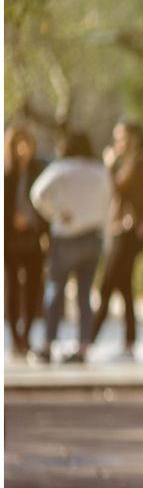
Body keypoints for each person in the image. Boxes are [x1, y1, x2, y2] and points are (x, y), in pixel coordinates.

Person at [30, 131, 110, 364]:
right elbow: (109, 204)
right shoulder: (99, 171)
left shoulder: (61, 168)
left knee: (55, 290)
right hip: (92, 237)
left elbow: (37, 194)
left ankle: (47, 344)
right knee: (84, 295)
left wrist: (55, 213)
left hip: (65, 238)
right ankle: (83, 346)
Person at [90, 120, 143, 360]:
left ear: (134, 138)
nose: (117, 143)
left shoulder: (139, 162)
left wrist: (108, 165)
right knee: (125, 287)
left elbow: (117, 187)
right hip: (125, 230)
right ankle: (129, 342)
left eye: (121, 138)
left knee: (106, 285)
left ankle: (88, 341)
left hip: (128, 232)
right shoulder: (133, 162)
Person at [4, 125, 48, 357]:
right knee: (11, 287)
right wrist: (12, 219)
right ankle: (14, 336)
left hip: (33, 238)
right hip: (10, 240)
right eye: (18, 143)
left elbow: (47, 203)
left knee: (33, 288)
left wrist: (40, 229)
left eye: (26, 143)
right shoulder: (6, 174)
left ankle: (28, 334)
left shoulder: (39, 170)